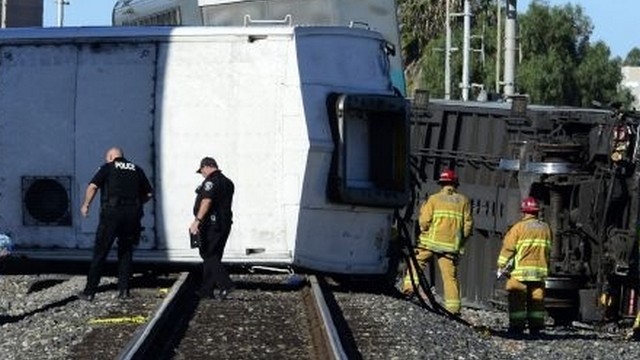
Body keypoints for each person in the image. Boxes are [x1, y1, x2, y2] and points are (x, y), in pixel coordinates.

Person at [78, 147, 153, 301]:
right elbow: (149, 193)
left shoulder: (107, 168)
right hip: (132, 215)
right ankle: (124, 291)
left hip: (112, 213)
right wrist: (136, 204)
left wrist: (86, 205)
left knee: (101, 251)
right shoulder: (136, 169)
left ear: (111, 157)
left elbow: (93, 186)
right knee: (125, 252)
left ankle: (90, 291)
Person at [401, 168, 473, 315]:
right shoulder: (464, 201)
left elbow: (424, 221)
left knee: (417, 263)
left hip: (430, 243)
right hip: (450, 247)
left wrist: (424, 231)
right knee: (449, 277)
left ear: (441, 183)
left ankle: (409, 289)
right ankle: (453, 309)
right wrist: (460, 241)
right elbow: (468, 226)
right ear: (455, 184)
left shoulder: (434, 199)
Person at [496, 196, 552, 336]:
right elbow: (548, 249)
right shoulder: (546, 228)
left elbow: (508, 248)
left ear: (524, 212)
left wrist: (501, 264)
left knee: (516, 298)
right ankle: (536, 327)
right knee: (537, 300)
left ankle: (517, 327)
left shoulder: (518, 228)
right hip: (539, 272)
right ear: (536, 211)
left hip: (521, 272)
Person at [189, 157, 235, 300]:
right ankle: (206, 290)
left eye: (201, 171)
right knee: (214, 255)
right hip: (225, 223)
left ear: (206, 167)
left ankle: (226, 284)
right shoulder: (228, 182)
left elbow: (206, 201)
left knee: (208, 254)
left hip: (212, 224)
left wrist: (197, 220)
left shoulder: (210, 182)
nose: (202, 174)